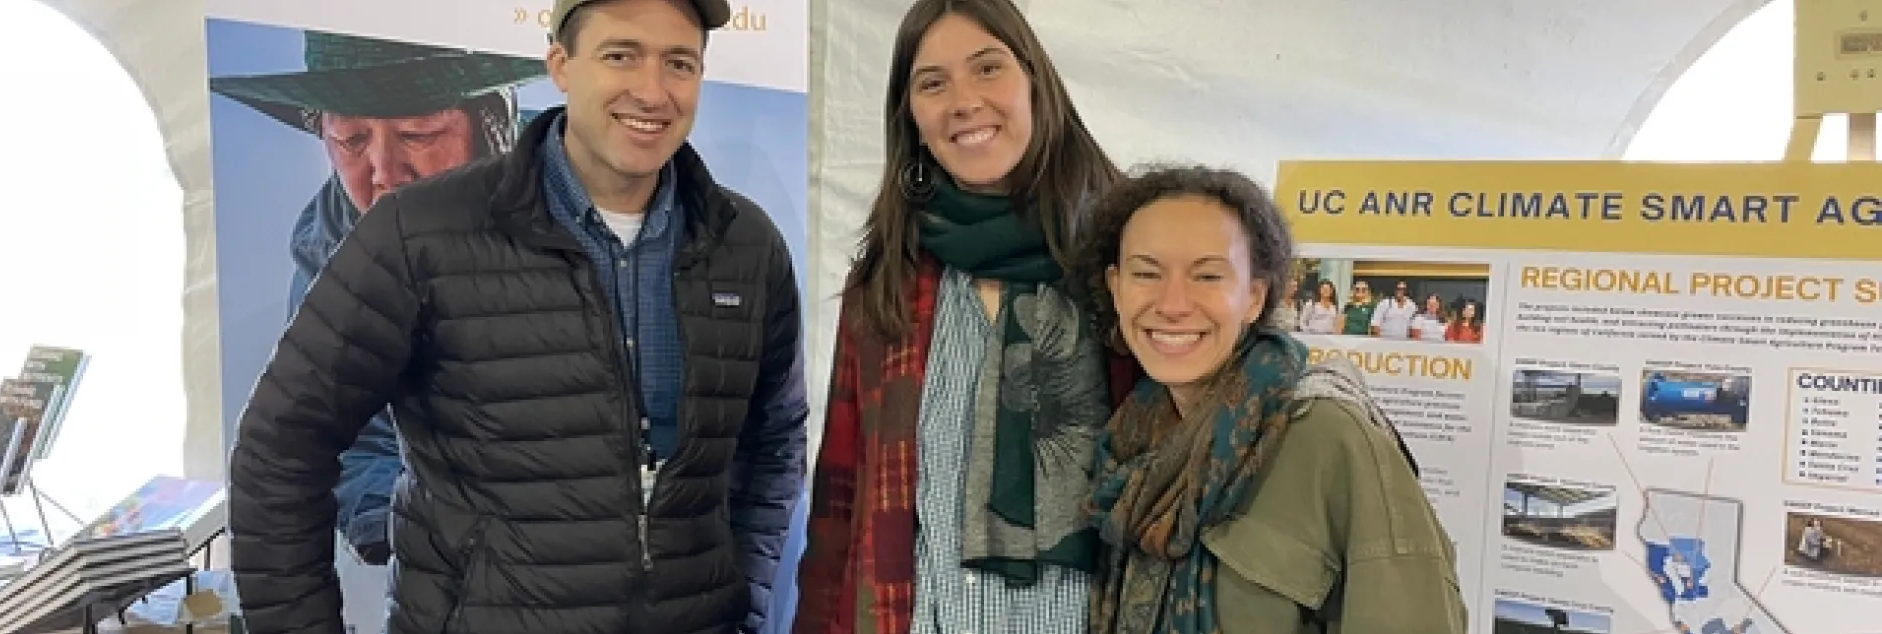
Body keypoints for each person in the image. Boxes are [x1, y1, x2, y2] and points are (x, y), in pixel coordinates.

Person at [226, 0, 809, 632]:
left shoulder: (746, 245)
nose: (651, 89)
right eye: (620, 55)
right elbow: (280, 450)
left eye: (679, 63)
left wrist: (745, 600)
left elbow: (773, 443)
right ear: (561, 65)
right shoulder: (413, 234)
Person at [792, 0, 1128, 632]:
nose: (964, 101)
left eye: (987, 68)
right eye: (933, 83)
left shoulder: (1122, 267)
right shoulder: (886, 281)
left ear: (1036, 82)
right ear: (912, 118)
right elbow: (840, 504)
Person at [1080, 165, 1466, 634]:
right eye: (1146, 273)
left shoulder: (1332, 438)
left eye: (1208, 276)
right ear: (1116, 288)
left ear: (1254, 297)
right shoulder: (1127, 439)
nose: (1173, 303)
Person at [209, 31, 546, 563]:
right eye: (352, 140)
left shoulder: (585, 208)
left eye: (418, 134)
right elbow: (346, 434)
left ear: (492, 128)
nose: (385, 173)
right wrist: (414, 529)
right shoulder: (331, 247)